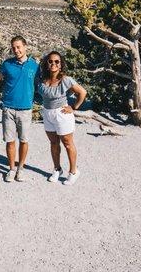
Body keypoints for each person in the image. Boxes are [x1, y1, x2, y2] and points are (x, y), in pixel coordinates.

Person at [38, 51, 87, 185]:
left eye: (57, 61)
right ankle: (57, 169)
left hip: (62, 114)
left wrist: (74, 107)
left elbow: (82, 92)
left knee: (67, 143)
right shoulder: (43, 80)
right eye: (50, 61)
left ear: (61, 64)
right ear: (46, 63)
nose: (53, 64)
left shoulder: (66, 80)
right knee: (53, 143)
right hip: (47, 113)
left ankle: (73, 172)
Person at [0, 35, 39, 182]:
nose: (16, 50)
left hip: (26, 108)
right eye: (13, 47)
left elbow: (42, 83)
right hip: (8, 107)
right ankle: (11, 169)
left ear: (25, 46)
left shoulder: (34, 65)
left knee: (24, 140)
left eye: (19, 47)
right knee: (10, 141)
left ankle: (20, 168)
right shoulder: (7, 64)